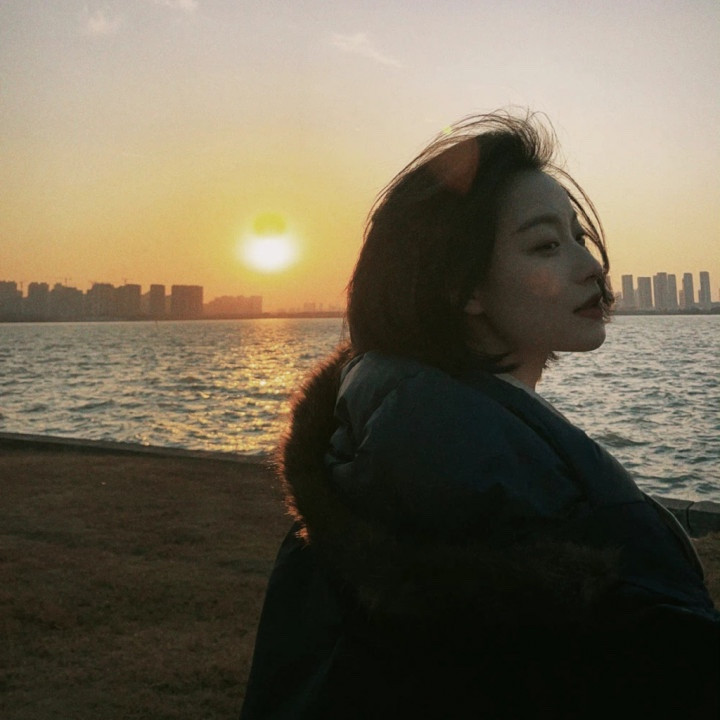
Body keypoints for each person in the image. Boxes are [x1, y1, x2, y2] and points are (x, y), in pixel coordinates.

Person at [240, 112, 719, 719]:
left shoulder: (356, 470)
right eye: (545, 245)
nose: (591, 267)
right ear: (461, 286)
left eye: (580, 238)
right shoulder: (519, 510)